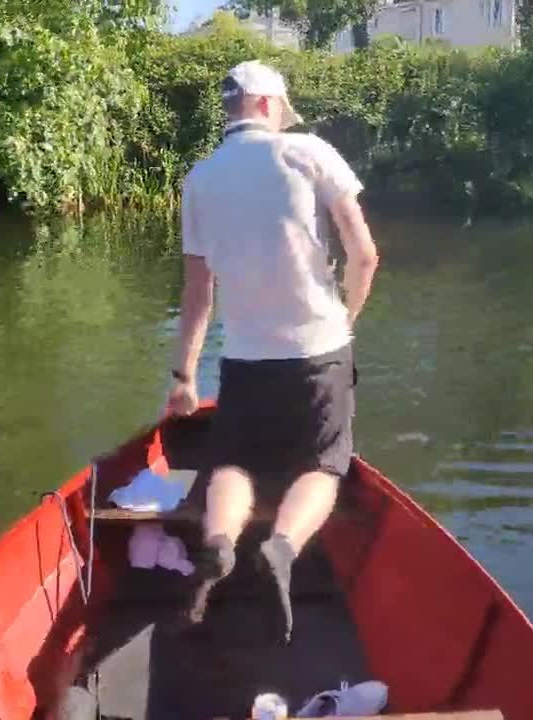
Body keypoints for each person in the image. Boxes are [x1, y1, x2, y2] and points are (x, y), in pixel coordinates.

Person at [164, 60, 379, 645]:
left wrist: (185, 376)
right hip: (319, 352)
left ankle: (217, 544)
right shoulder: (308, 152)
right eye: (282, 109)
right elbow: (364, 255)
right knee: (323, 464)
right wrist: (346, 319)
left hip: (246, 362)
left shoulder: (201, 177)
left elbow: (197, 290)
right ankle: (282, 547)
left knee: (232, 461)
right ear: (266, 105)